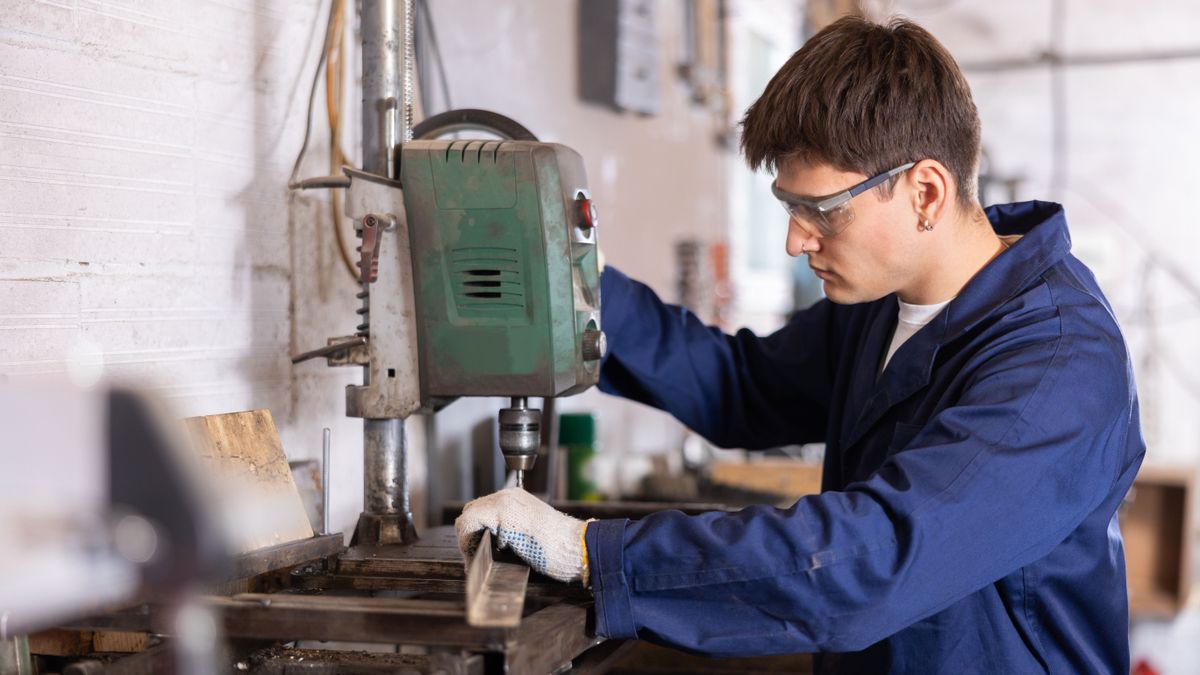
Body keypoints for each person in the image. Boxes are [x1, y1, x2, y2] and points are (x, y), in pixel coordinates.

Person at [456, 15, 1144, 673]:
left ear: (925, 192)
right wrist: (576, 288)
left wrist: (589, 551)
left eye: (822, 211)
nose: (796, 240)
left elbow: (872, 559)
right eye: (790, 208)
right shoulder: (881, 301)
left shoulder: (1056, 364)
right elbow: (745, 388)